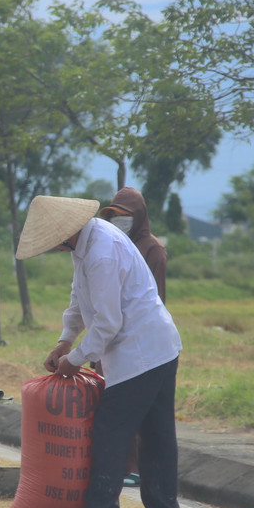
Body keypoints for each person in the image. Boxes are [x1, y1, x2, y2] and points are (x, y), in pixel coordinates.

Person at [16, 194, 183, 508]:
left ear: (65, 234)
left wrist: (74, 360)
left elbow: (108, 323)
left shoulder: (101, 252)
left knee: (110, 428)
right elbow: (80, 299)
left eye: (54, 243)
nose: (56, 249)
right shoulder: (89, 243)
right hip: (157, 346)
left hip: (141, 352)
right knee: (156, 433)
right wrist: (65, 339)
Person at [98, 187, 167, 487]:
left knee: (134, 410)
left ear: (137, 217)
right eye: (114, 216)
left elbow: (155, 301)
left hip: (138, 341)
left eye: (125, 216)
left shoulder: (152, 250)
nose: (119, 221)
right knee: (112, 406)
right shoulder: (112, 246)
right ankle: (120, 466)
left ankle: (133, 468)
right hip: (110, 338)